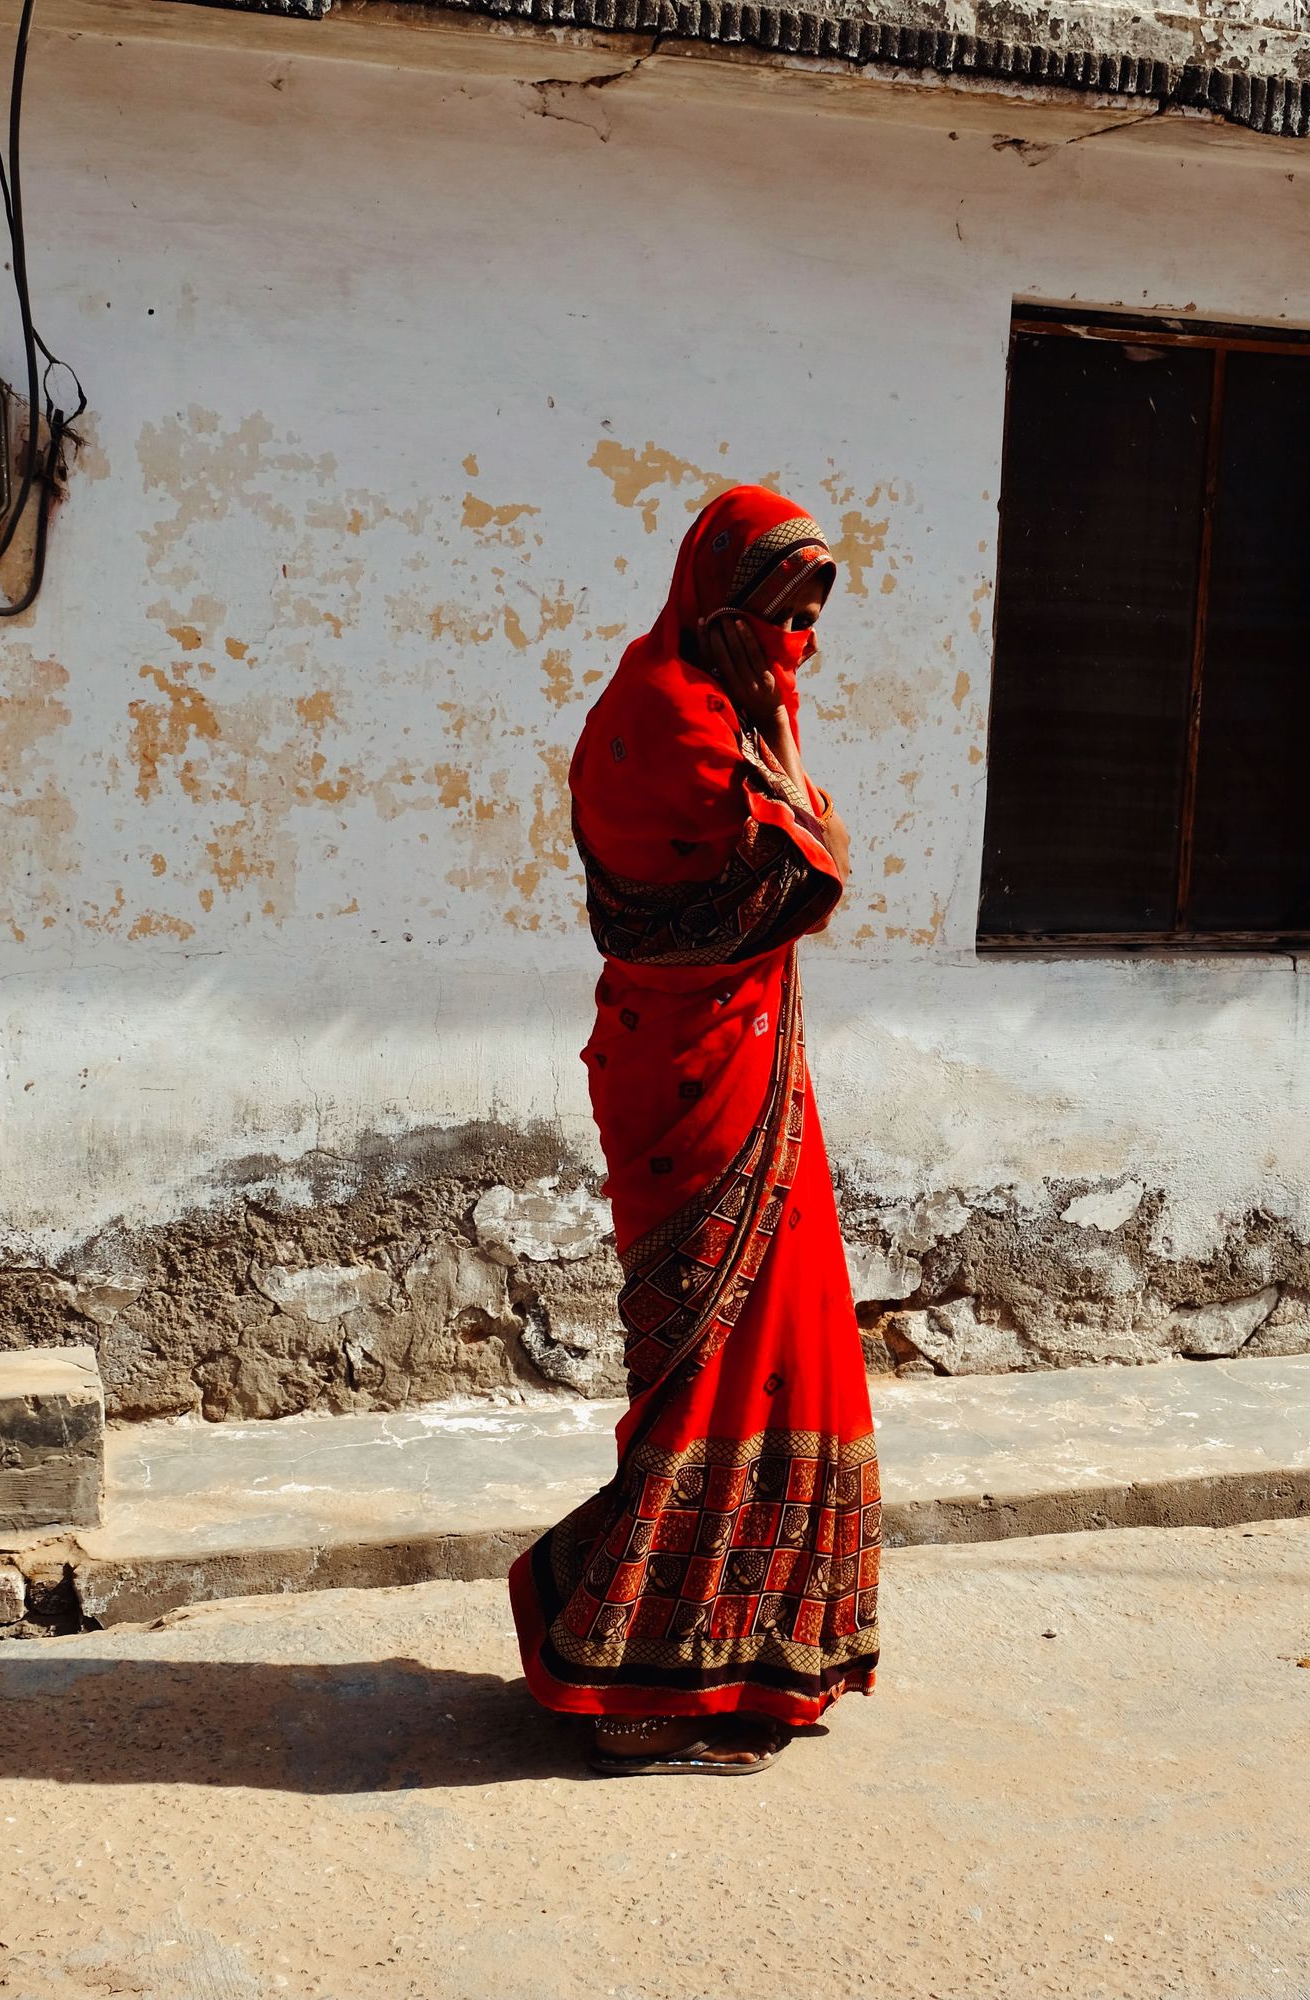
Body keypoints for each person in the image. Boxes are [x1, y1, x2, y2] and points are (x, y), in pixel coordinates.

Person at [507, 485, 883, 1777]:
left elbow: (799, 863)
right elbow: (808, 876)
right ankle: (644, 1676)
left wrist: (790, 787)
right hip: (691, 1069)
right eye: (786, 621)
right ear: (718, 607)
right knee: (709, 1361)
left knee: (778, 1339)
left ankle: (729, 1653)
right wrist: (804, 823)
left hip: (740, 1055)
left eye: (812, 623)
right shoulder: (672, 716)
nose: (805, 650)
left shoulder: (727, 706)